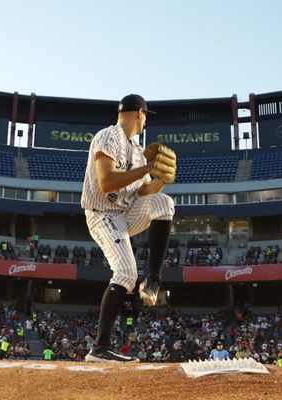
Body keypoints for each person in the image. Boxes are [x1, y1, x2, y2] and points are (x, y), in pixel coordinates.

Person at [82, 94, 176, 363]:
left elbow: (145, 190)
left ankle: (154, 280)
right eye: (146, 116)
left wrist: (161, 180)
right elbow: (106, 182)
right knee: (125, 273)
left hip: (127, 213)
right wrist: (148, 166)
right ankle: (99, 349)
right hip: (102, 214)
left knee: (164, 203)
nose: (146, 121)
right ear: (140, 114)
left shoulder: (136, 149)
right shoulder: (107, 136)